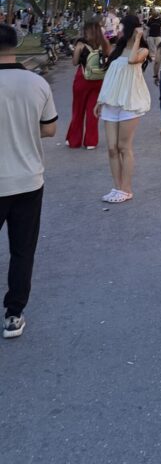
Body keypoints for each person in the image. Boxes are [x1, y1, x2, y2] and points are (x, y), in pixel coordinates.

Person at [0, 24, 58, 338]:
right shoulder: (35, 83)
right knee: (22, 250)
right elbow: (49, 129)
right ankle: (13, 314)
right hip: (27, 179)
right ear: (17, 44)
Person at [95, 15, 151, 204]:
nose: (118, 30)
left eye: (121, 27)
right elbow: (109, 76)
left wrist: (137, 38)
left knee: (123, 146)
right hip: (111, 102)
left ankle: (126, 189)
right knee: (111, 148)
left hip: (130, 103)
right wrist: (100, 100)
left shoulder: (142, 50)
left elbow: (132, 60)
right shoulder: (117, 50)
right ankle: (117, 187)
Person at [65, 20, 111, 149]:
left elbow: (74, 62)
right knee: (93, 111)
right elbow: (109, 59)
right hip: (98, 80)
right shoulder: (105, 43)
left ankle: (74, 140)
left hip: (82, 79)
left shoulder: (81, 44)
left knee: (78, 110)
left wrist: (77, 52)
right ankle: (91, 141)